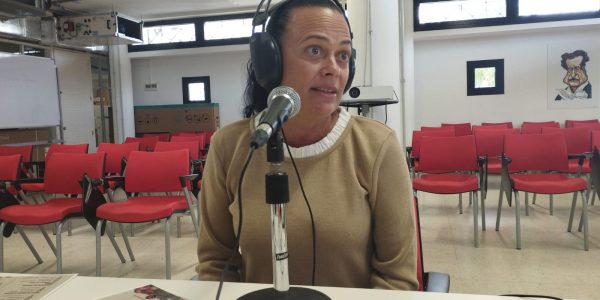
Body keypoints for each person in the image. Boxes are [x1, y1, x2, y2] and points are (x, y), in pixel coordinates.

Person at [196, 0, 417, 290]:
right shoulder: (230, 146)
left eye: (343, 55)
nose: (333, 69)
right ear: (269, 61)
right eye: (315, 50)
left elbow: (396, 278)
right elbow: (215, 264)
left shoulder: (378, 146)